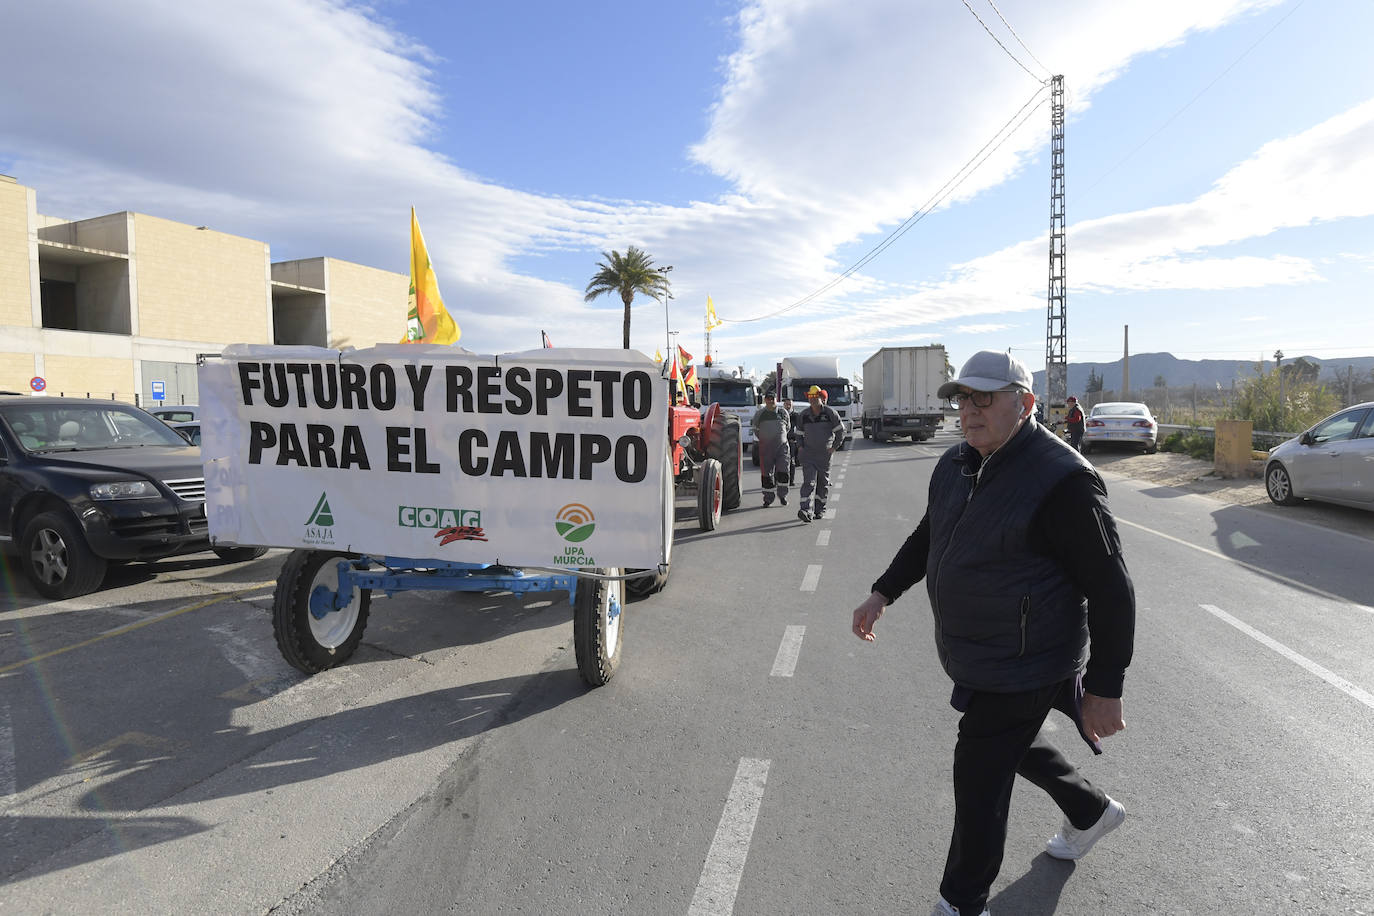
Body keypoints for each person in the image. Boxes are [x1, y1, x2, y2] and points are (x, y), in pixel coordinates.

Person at [849, 350, 1136, 916]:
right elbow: (931, 534)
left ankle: (961, 900)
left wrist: (1106, 684)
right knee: (1009, 741)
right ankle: (1090, 811)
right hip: (988, 651)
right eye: (962, 399)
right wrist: (883, 592)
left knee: (979, 769)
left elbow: (1111, 588)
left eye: (985, 399)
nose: (969, 411)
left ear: (1025, 404)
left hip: (1029, 655)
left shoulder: (1063, 481)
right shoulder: (960, 462)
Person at [792, 385, 843, 523]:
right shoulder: (804, 415)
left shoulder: (830, 413)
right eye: (810, 397)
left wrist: (834, 447)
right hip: (808, 455)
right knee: (809, 482)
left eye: (815, 397)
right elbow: (798, 434)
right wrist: (801, 447)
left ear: (821, 397)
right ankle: (805, 510)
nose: (813, 399)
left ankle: (819, 510)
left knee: (823, 483)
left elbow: (840, 431)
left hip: (824, 456)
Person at [751, 392, 792, 507]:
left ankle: (783, 496)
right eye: (768, 399)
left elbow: (787, 427)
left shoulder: (783, 412)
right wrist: (765, 439)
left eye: (772, 398)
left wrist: (779, 437)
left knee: (783, 472)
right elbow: (755, 429)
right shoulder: (760, 414)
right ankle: (768, 499)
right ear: (765, 400)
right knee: (766, 475)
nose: (770, 401)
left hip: (782, 448)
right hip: (766, 449)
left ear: (775, 399)